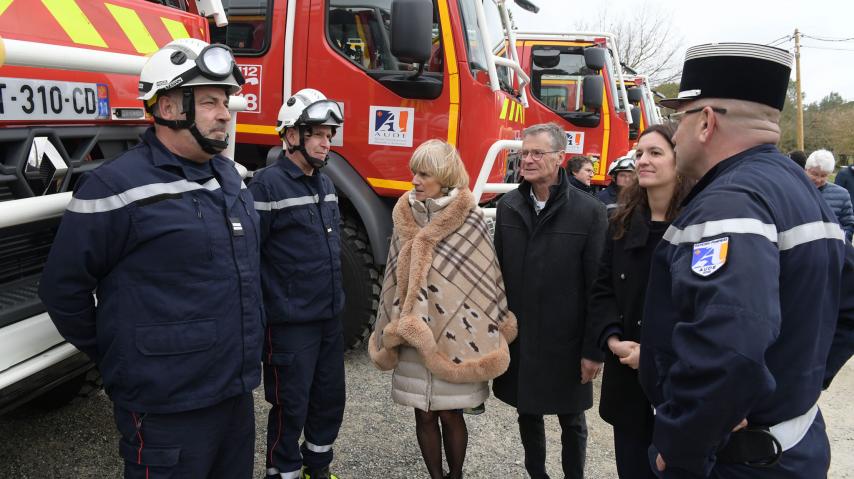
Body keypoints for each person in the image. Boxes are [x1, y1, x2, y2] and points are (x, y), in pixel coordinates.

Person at [38, 39, 262, 478]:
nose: (225, 113)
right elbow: (63, 289)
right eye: (211, 102)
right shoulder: (114, 188)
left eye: (226, 101)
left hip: (233, 397)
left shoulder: (231, 180)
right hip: (165, 407)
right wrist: (121, 356)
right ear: (170, 107)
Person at [639, 42, 845, 478]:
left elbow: (730, 345)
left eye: (681, 118)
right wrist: (796, 380)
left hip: (736, 462)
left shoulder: (729, 202)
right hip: (793, 449)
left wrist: (682, 447)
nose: (674, 134)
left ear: (706, 121)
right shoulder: (800, 187)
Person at [368, 139, 517, 479]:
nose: (415, 181)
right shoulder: (404, 215)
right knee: (422, 413)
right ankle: (436, 477)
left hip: (457, 337)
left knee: (452, 414)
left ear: (445, 176)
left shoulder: (471, 219)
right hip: (410, 332)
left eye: (424, 174)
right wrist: (392, 323)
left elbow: (485, 281)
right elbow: (393, 276)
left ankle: (456, 475)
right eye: (413, 173)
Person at [493, 122, 607, 479]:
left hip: (567, 342)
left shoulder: (589, 212)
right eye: (524, 152)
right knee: (527, 412)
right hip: (524, 338)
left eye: (537, 153)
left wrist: (594, 350)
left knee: (572, 419)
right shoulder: (508, 207)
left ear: (559, 158)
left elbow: (598, 288)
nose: (527, 159)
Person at [249, 89, 346, 479]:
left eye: (329, 135)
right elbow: (250, 256)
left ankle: (316, 469)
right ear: (292, 136)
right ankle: (283, 472)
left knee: (328, 400)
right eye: (319, 134)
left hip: (328, 318)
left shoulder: (326, 184)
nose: (327, 143)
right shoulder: (266, 186)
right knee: (291, 405)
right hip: (289, 325)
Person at [588, 124, 692, 479]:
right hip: (627, 384)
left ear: (680, 161)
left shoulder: (702, 225)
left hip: (678, 383)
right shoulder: (621, 221)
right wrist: (613, 340)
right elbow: (602, 289)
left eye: (656, 153)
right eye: (639, 153)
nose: (643, 160)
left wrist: (651, 354)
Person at [805, 149, 854, 243]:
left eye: (823, 175)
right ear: (806, 169)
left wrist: (841, 243)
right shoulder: (793, 191)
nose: (818, 180)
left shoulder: (842, 195)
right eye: (814, 174)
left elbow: (848, 224)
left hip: (832, 251)